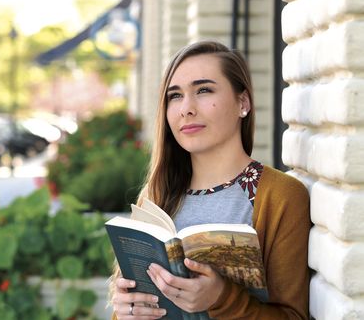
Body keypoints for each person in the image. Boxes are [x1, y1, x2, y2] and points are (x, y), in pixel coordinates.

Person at [110, 41, 310, 319]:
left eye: (203, 90)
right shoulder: (156, 196)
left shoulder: (279, 196)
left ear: (243, 102)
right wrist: (125, 311)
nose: (186, 109)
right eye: (175, 96)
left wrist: (221, 298)